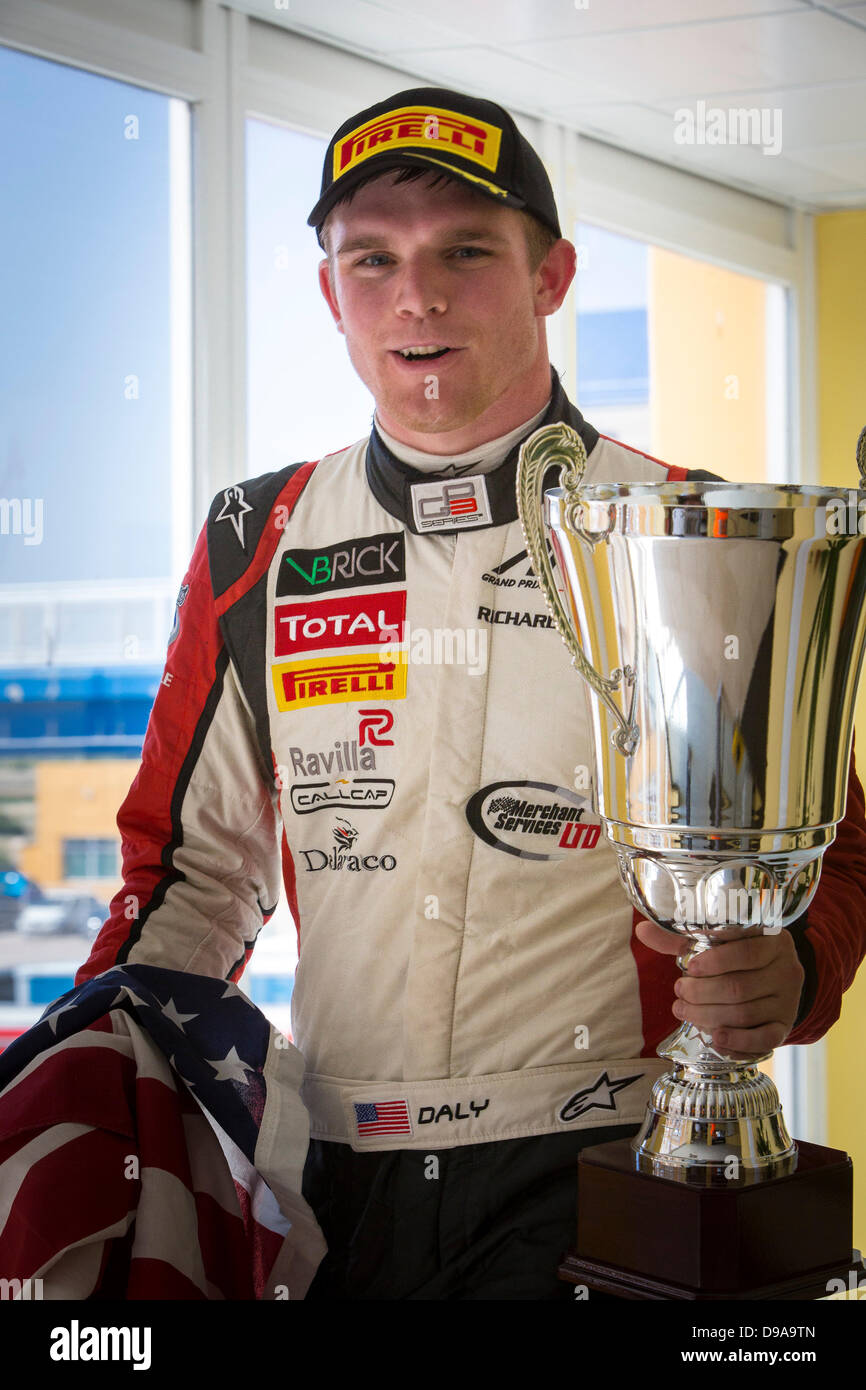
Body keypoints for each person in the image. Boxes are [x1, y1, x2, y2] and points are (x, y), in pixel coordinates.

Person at [75, 86, 866, 1299]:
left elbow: (835, 856)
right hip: (332, 1176)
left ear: (549, 275)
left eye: (464, 252)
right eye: (372, 260)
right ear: (328, 291)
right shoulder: (256, 538)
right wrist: (76, 1072)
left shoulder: (688, 526)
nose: (417, 296)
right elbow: (190, 877)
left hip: (605, 1162)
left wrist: (792, 966)